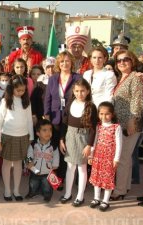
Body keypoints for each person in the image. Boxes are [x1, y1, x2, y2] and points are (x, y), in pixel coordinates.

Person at [43, 51, 81, 190]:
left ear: (72, 62)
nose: (65, 63)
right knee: (54, 148)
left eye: (67, 61)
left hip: (71, 117)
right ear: (58, 64)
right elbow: (47, 97)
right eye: (62, 61)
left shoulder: (77, 77)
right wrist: (46, 114)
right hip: (54, 117)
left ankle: (64, 177)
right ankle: (54, 178)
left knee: (66, 147)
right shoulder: (53, 78)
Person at [110, 50, 143, 200]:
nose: (122, 62)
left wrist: (132, 121)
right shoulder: (121, 78)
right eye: (119, 60)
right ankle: (126, 186)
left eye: (126, 59)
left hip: (130, 124)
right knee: (126, 158)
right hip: (120, 124)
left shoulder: (135, 78)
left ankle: (119, 190)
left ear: (132, 61)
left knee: (123, 158)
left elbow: (137, 101)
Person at [0, 75, 34, 202]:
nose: (20, 93)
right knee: (7, 163)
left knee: (18, 163)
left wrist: (30, 137)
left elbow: (29, 121)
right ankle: (7, 190)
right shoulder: (6, 101)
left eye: (23, 90)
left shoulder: (26, 102)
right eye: (18, 90)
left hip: (22, 136)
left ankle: (16, 190)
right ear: (11, 88)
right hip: (7, 136)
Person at [60, 79, 98, 207]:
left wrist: (89, 145)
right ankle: (67, 193)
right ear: (73, 91)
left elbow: (93, 128)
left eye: (82, 91)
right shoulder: (70, 103)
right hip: (70, 136)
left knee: (81, 168)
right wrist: (61, 139)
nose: (79, 93)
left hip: (83, 138)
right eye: (77, 91)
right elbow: (64, 123)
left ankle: (80, 196)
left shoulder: (91, 106)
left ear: (87, 91)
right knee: (70, 167)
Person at [89, 102, 122, 212]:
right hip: (98, 156)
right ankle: (96, 198)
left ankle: (105, 201)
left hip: (109, 158)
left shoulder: (116, 127)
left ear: (112, 114)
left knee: (108, 179)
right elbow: (94, 141)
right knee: (97, 178)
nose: (104, 116)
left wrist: (116, 159)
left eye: (107, 114)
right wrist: (91, 155)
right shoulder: (98, 125)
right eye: (101, 113)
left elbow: (119, 144)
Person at [25, 119, 59, 202]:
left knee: (47, 186)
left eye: (50, 130)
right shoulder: (33, 145)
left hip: (47, 171)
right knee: (33, 184)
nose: (48, 132)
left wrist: (55, 164)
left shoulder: (53, 146)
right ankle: (32, 192)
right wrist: (29, 163)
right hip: (35, 170)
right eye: (44, 130)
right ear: (38, 133)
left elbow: (56, 156)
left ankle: (47, 195)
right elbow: (28, 155)